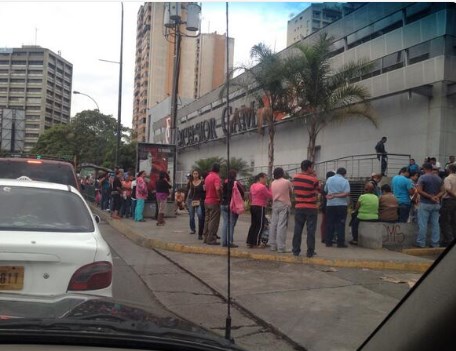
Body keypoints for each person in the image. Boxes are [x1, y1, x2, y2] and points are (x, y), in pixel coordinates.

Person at [291, 160, 320, 257]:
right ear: (308, 168)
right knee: (311, 230)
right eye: (312, 167)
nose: (313, 169)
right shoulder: (314, 180)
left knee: (297, 229)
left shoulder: (295, 177)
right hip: (311, 207)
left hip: (299, 206)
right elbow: (317, 191)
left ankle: (295, 250)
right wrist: (314, 176)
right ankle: (310, 252)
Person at [416, 162, 445, 248]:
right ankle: (435, 243)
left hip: (425, 203)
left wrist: (430, 197)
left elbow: (419, 190)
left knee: (423, 224)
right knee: (435, 224)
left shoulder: (422, 177)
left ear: (424, 169)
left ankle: (421, 243)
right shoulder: (438, 178)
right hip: (436, 204)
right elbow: (443, 191)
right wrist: (436, 197)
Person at [269, 167, 293, 253]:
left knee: (273, 225)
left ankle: (272, 245)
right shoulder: (287, 181)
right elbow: (291, 191)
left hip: (275, 204)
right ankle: (281, 247)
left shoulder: (272, 183)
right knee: (281, 225)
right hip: (284, 204)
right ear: (282, 173)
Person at [325, 167, 350, 248]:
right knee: (340, 224)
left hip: (330, 205)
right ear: (344, 174)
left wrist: (332, 194)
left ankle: (328, 242)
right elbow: (346, 193)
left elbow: (326, 189)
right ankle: (340, 243)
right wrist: (336, 195)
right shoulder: (345, 181)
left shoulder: (329, 179)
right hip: (341, 205)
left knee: (330, 223)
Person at [246, 172, 272, 248]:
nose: (266, 180)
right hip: (260, 206)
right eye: (265, 178)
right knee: (260, 225)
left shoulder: (252, 186)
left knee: (253, 224)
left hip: (253, 205)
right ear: (261, 178)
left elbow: (250, 196)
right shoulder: (262, 187)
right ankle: (256, 242)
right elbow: (270, 195)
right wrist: (270, 187)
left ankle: (249, 241)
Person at [221, 169, 244, 248]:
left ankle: (224, 241)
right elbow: (242, 192)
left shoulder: (224, 182)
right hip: (232, 205)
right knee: (231, 224)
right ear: (235, 175)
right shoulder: (236, 183)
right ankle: (229, 241)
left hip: (223, 204)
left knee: (225, 223)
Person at [202, 163, 222, 245]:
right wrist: (219, 197)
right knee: (214, 221)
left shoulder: (207, 177)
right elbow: (217, 188)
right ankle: (211, 239)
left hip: (206, 200)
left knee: (207, 219)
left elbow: (205, 188)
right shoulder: (216, 177)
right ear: (218, 169)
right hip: (214, 201)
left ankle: (205, 238)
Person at [440, 164, 456, 247]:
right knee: (454, 221)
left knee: (445, 221)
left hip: (449, 201)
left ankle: (449, 240)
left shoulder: (448, 178)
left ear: (449, 170)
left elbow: (448, 190)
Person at [187, 169, 205, 238]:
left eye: (196, 173)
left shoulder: (202, 182)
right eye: (194, 173)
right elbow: (187, 190)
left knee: (200, 215)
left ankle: (201, 230)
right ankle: (193, 229)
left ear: (198, 174)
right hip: (191, 200)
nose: (195, 175)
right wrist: (185, 200)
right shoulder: (190, 182)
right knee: (191, 216)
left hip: (199, 200)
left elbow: (204, 191)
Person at [319, 171, 335, 244]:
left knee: (324, 222)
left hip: (324, 205)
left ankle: (323, 237)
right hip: (328, 204)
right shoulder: (329, 184)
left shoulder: (324, 184)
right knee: (329, 222)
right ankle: (328, 237)